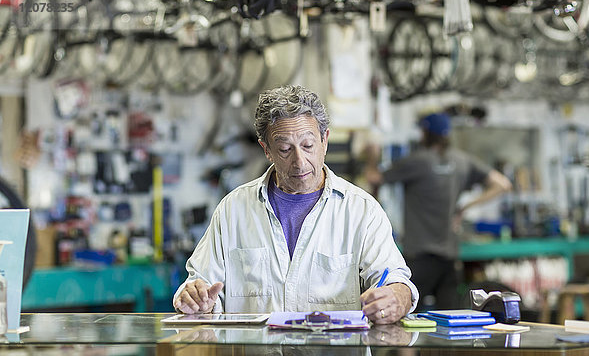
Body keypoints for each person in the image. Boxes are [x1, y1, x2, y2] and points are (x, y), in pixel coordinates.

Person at [173, 85, 418, 324]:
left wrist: (398, 296)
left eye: (308, 146)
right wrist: (195, 299)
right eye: (284, 149)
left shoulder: (362, 211)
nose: (299, 162)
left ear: (325, 140)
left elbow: (396, 280)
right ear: (266, 149)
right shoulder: (233, 211)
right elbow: (200, 284)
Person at [365, 112, 512, 310]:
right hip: (450, 260)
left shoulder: (417, 161)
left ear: (425, 133)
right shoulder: (462, 161)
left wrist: (371, 154)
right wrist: (464, 207)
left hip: (419, 259)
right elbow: (502, 184)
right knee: (449, 321)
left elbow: (374, 177)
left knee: (404, 315)